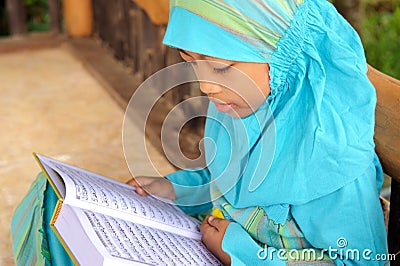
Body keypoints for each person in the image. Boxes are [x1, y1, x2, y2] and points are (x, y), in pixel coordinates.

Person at [127, 0, 389, 265]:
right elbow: (225, 180)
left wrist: (246, 256)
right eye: (190, 61)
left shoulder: (331, 164)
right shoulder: (237, 106)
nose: (205, 85)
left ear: (281, 55)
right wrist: (176, 190)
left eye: (220, 67)